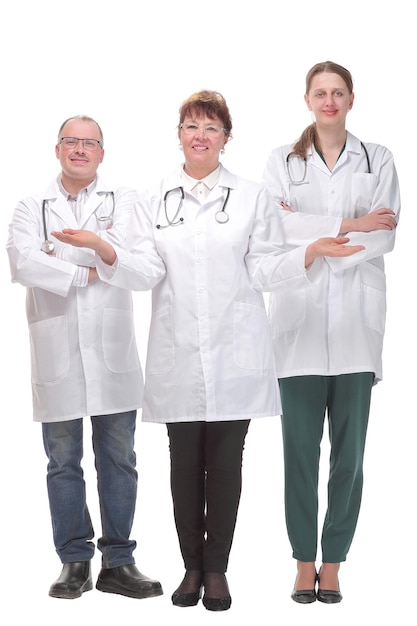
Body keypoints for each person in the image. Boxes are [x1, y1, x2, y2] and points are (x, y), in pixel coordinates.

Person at [51, 91, 364, 611]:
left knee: (224, 466)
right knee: (182, 466)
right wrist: (107, 249)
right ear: (178, 133)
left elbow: (263, 268)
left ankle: (216, 570)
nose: (200, 135)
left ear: (225, 139)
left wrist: (306, 252)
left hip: (234, 355)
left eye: (212, 128)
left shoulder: (250, 196)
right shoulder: (154, 198)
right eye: (192, 125)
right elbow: (146, 270)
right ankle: (190, 568)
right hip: (177, 354)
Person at [6, 115, 163, 601]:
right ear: (57, 150)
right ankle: (74, 560)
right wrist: (90, 268)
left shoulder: (127, 201)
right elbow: (21, 262)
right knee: (62, 461)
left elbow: (145, 268)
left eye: (89, 143)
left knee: (120, 459)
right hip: (58, 356)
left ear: (101, 153)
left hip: (113, 353)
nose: (80, 149)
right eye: (70, 142)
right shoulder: (33, 205)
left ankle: (119, 562)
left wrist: (92, 251)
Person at [262, 61, 400, 604]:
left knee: (350, 457)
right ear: (307, 99)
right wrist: (347, 226)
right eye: (320, 92)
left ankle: (334, 561)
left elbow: (385, 234)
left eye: (337, 92)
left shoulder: (379, 159)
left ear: (350, 99)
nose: (329, 100)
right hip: (296, 332)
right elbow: (274, 228)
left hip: (355, 334)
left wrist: (316, 245)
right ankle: (302, 561)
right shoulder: (281, 161)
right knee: (298, 453)